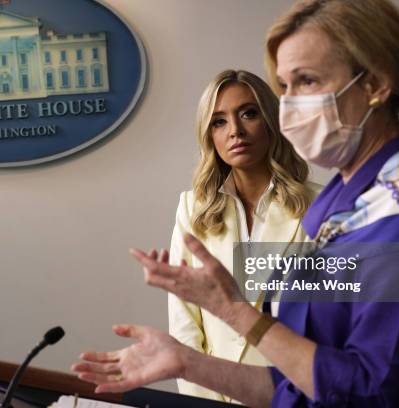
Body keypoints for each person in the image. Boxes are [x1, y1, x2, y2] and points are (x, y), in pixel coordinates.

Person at [72, 1, 399, 407]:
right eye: (284, 87)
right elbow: (302, 386)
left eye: (306, 81)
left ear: (375, 83)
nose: (289, 106)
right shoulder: (347, 207)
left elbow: (371, 395)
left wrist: (234, 311)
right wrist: (186, 363)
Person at [168, 69, 319, 403]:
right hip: (215, 394)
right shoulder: (192, 209)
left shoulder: (321, 206)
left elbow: (331, 323)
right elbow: (185, 324)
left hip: (295, 394)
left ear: (271, 121)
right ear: (209, 135)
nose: (235, 131)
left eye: (248, 114)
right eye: (219, 121)